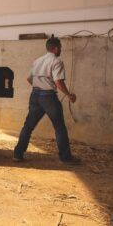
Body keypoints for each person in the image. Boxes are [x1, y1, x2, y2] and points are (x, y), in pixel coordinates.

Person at [13, 35, 80, 164]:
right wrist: (69, 94)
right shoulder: (57, 61)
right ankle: (65, 158)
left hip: (35, 95)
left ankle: (17, 154)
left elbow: (29, 78)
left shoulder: (37, 61)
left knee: (28, 126)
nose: (61, 49)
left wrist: (38, 87)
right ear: (55, 49)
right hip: (48, 97)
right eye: (60, 47)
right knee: (59, 127)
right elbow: (58, 81)